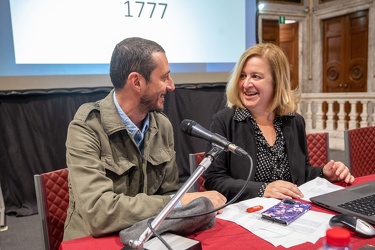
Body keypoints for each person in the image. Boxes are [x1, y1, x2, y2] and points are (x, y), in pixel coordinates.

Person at [63, 37, 226, 241]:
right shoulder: (86, 128)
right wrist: (178, 201)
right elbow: (99, 213)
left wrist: (178, 203)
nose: (171, 86)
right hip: (93, 241)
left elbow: (168, 193)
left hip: (147, 234)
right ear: (137, 82)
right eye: (164, 78)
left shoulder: (162, 125)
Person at [203, 43, 354, 202]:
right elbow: (214, 181)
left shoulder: (294, 121)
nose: (246, 84)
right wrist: (263, 189)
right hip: (248, 214)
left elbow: (300, 172)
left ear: (277, 82)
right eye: (242, 75)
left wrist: (324, 173)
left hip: (291, 211)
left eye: (256, 76)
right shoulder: (225, 121)